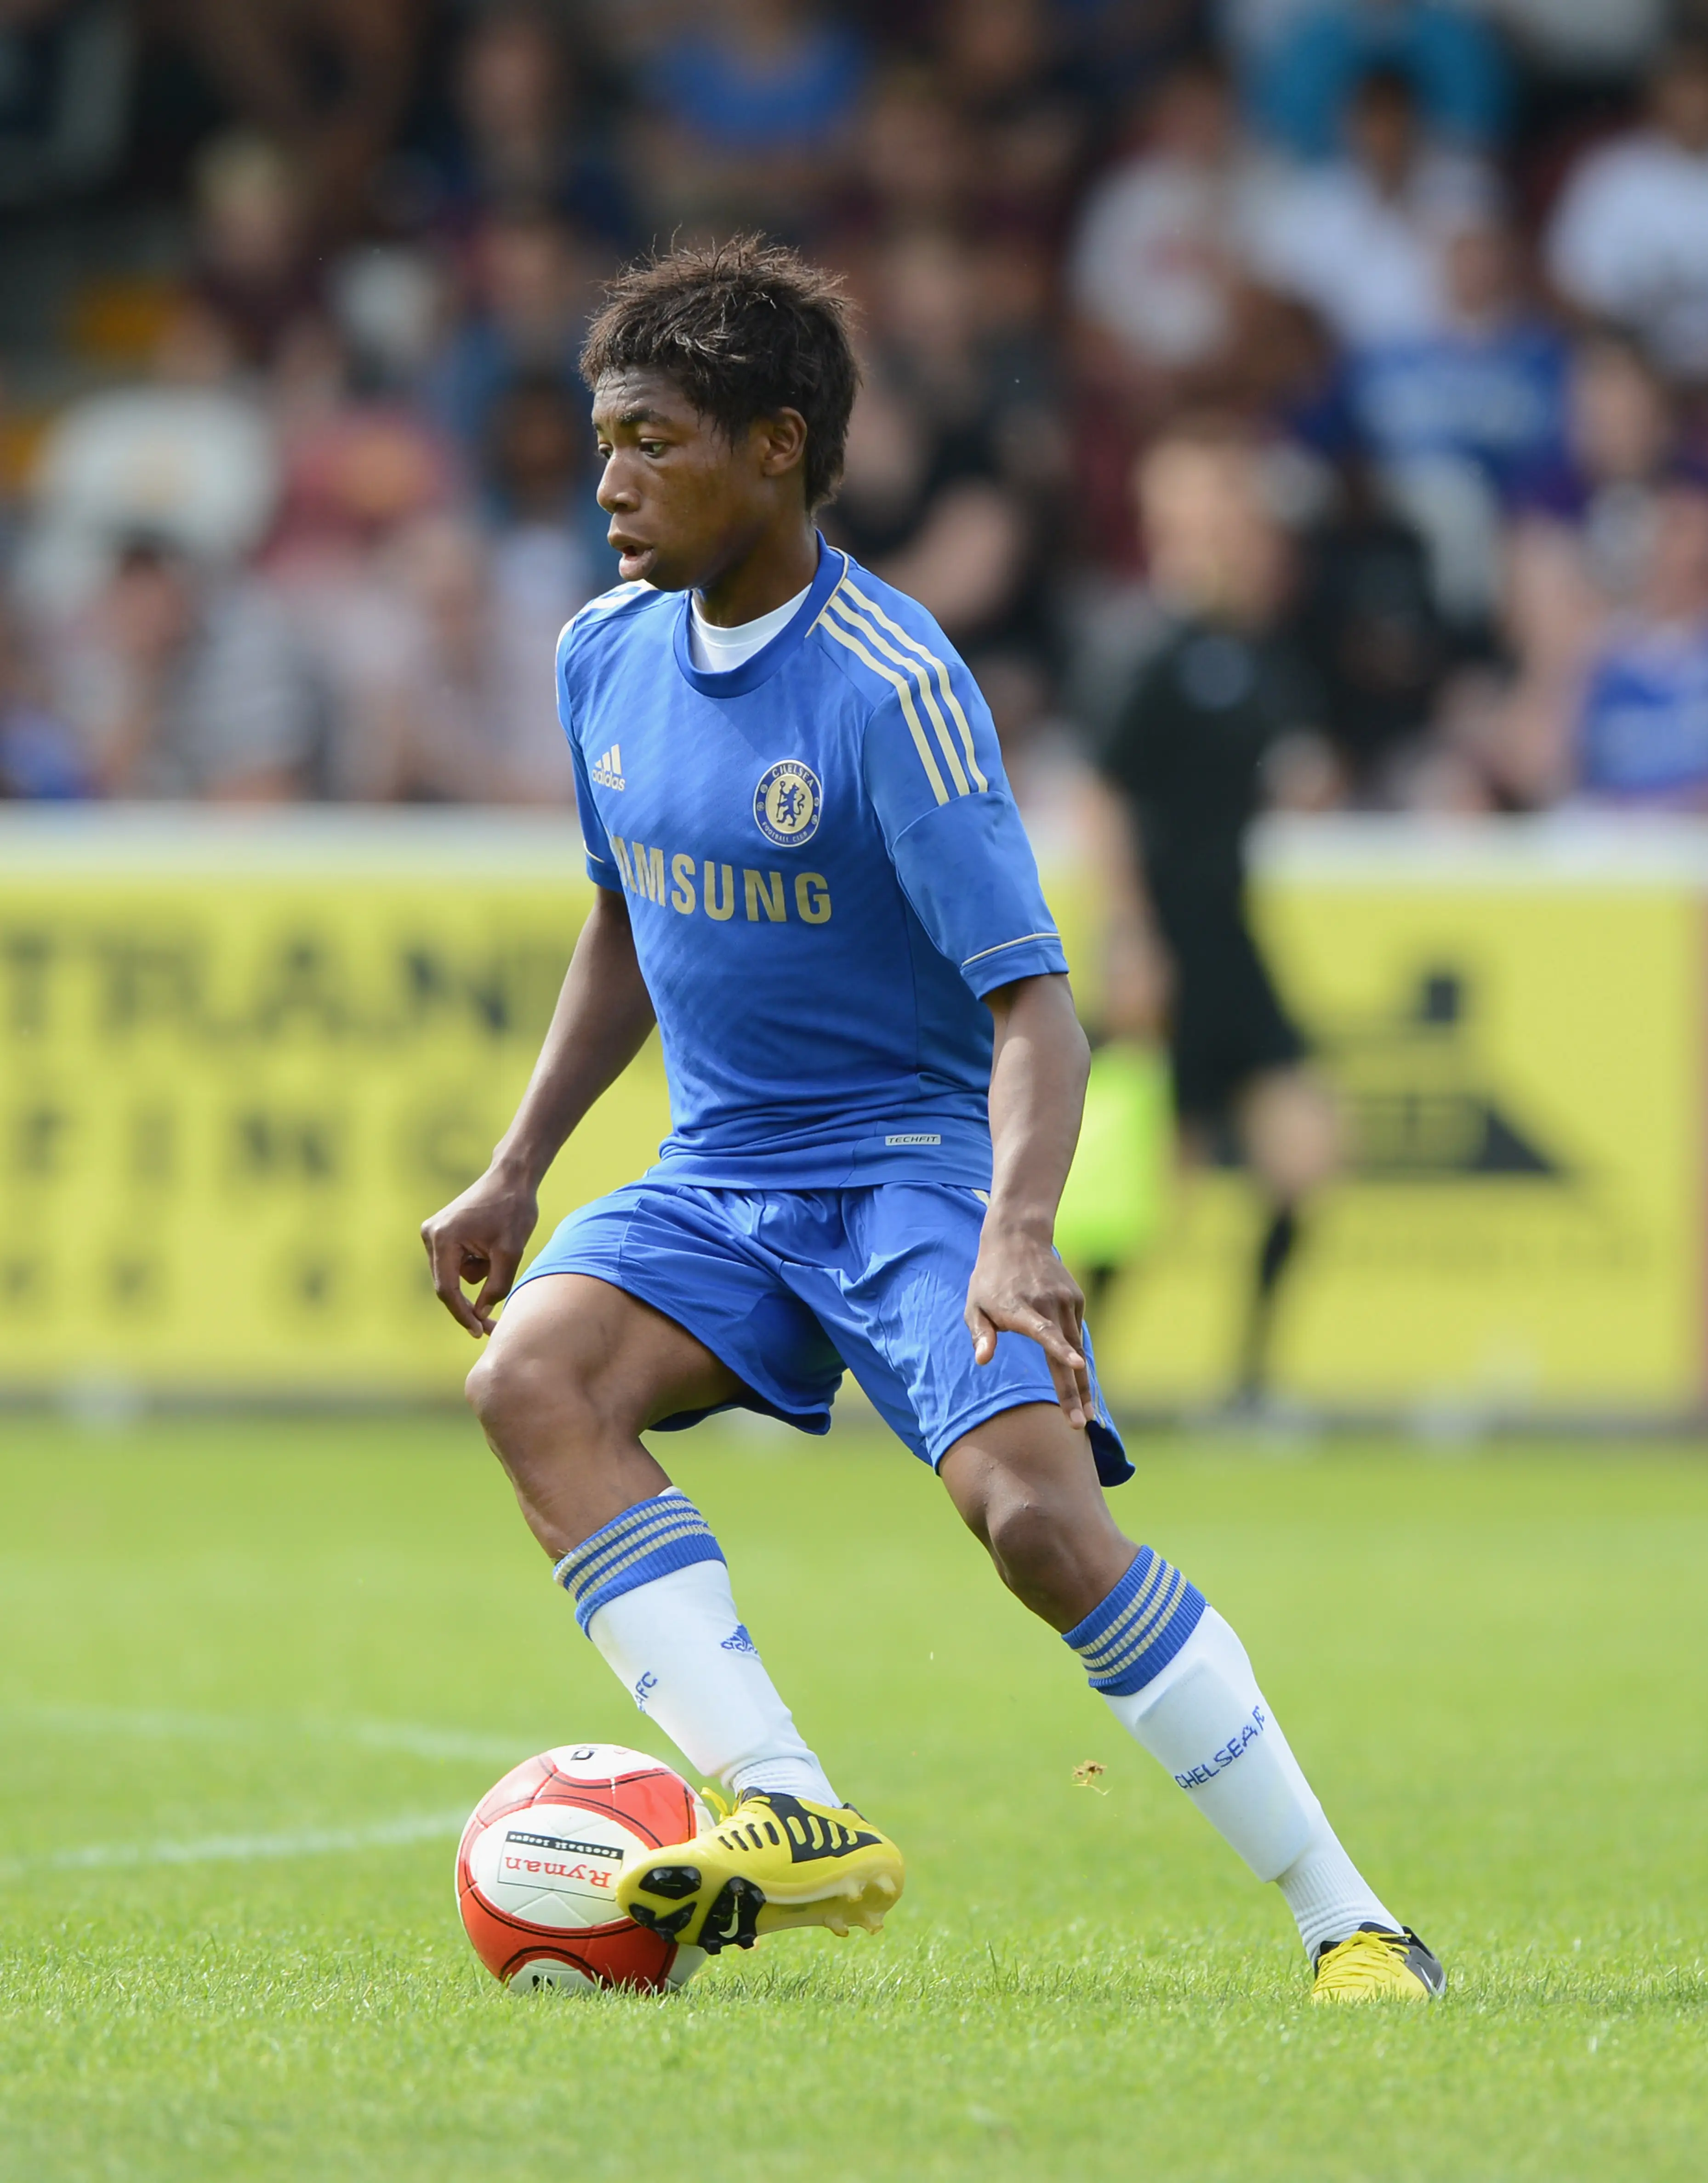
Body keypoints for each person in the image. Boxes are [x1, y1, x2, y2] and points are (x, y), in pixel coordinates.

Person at [421, 238, 1443, 2003]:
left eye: (653, 439)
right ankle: (790, 1807)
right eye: (605, 438)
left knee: (1040, 1534)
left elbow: (1029, 998)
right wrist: (519, 1164)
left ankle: (1346, 1918)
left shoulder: (893, 685)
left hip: (908, 1169)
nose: (608, 481)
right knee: (530, 1380)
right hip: (719, 1176)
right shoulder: (604, 654)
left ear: (779, 445)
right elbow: (624, 917)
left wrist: (1017, 1230)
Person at [1095, 417, 1343, 1398]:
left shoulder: (1253, 651)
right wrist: (1129, 935)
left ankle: (1249, 1382)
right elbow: (1101, 794)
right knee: (1148, 1192)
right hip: (1171, 945)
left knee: (1308, 1156)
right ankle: (1064, 1379)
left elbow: (1285, 763)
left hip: (1233, 941)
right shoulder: (1143, 644)